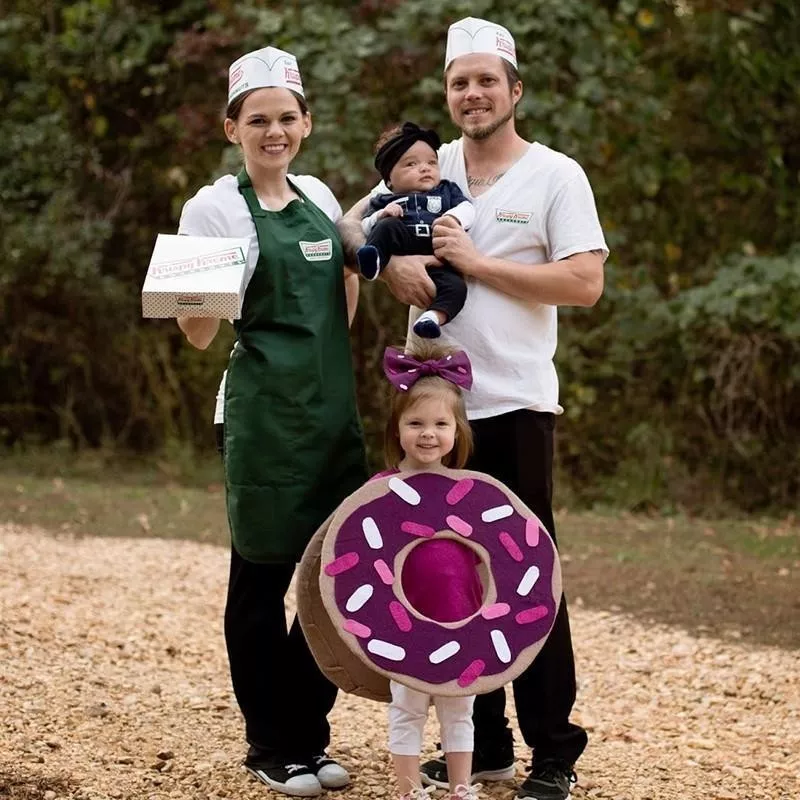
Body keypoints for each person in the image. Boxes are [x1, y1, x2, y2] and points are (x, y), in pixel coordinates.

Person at [339, 16, 608, 800]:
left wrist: (477, 265)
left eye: (487, 80)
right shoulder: (426, 165)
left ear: (515, 90)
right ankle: (484, 745)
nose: (473, 93)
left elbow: (584, 283)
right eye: (460, 82)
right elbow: (351, 225)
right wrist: (390, 272)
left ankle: (553, 750)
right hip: (433, 413)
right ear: (448, 95)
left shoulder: (556, 175)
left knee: (529, 573)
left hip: (516, 402)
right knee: (452, 577)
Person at [176, 46, 368, 797]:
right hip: (260, 416)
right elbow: (193, 334)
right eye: (258, 119)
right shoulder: (213, 206)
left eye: (286, 117)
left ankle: (307, 737)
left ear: (307, 123)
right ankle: (268, 743)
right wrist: (200, 281)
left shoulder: (320, 194)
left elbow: (342, 301)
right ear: (233, 129)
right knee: (260, 579)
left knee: (329, 585)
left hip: (330, 416)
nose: (274, 131)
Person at [376, 341, 482, 800]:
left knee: (459, 711)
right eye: (415, 423)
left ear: (457, 432)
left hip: (463, 618)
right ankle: (407, 789)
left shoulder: (472, 493)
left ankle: (461, 787)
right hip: (406, 623)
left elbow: (491, 556)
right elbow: (362, 554)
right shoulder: (379, 492)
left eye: (441, 424)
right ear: (396, 430)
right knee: (408, 709)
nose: (428, 434)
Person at [357, 121, 475, 338]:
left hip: (438, 255)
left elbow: (468, 207)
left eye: (432, 162)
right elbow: (363, 224)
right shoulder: (385, 198)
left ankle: (432, 318)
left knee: (457, 288)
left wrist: (453, 217)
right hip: (405, 242)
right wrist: (382, 214)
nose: (424, 168)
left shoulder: (446, 190)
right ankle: (374, 260)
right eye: (411, 164)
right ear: (389, 180)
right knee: (386, 226)